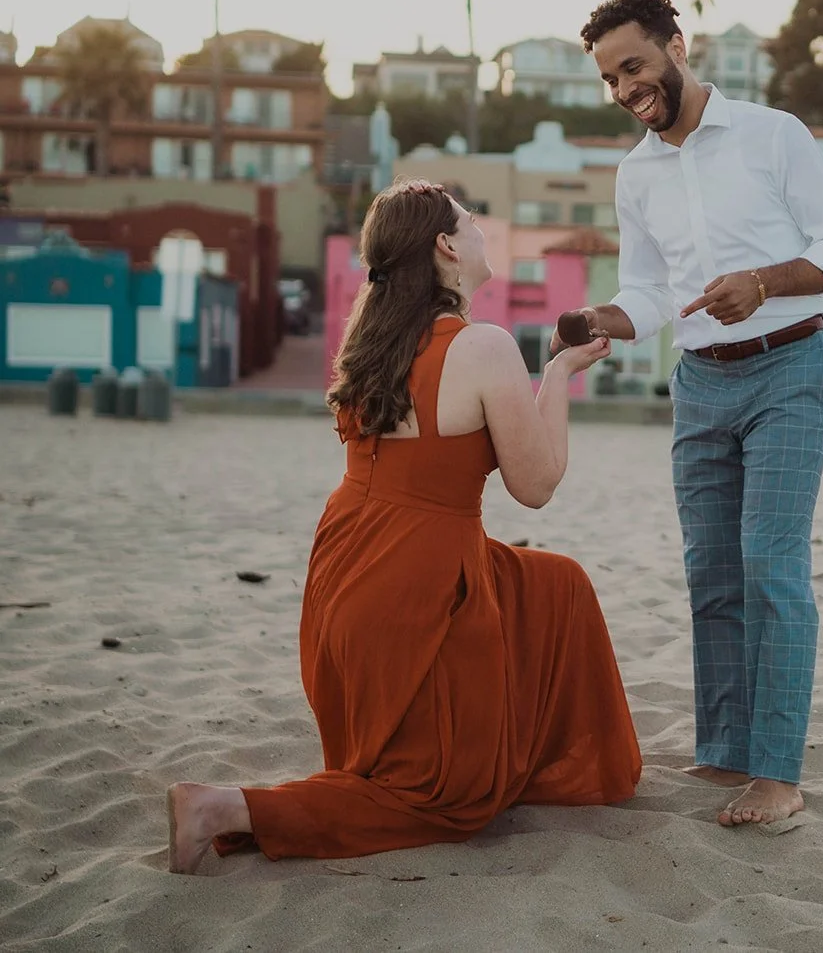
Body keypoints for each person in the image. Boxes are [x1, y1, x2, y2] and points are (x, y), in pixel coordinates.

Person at [165, 179, 641, 874]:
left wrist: (555, 367)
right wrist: (558, 378)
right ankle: (225, 806)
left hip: (345, 575)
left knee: (555, 581)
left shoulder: (372, 337)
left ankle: (517, 759)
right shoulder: (484, 346)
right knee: (447, 800)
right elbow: (536, 486)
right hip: (417, 585)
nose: (482, 229)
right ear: (447, 245)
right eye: (472, 220)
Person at [559, 0, 823, 827]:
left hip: (790, 366)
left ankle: (778, 772)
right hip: (699, 384)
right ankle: (728, 750)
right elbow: (650, 293)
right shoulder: (636, 173)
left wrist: (764, 282)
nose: (625, 90)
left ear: (676, 46)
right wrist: (604, 322)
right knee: (712, 574)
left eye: (634, 66)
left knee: (771, 563)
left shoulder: (774, 135)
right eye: (610, 80)